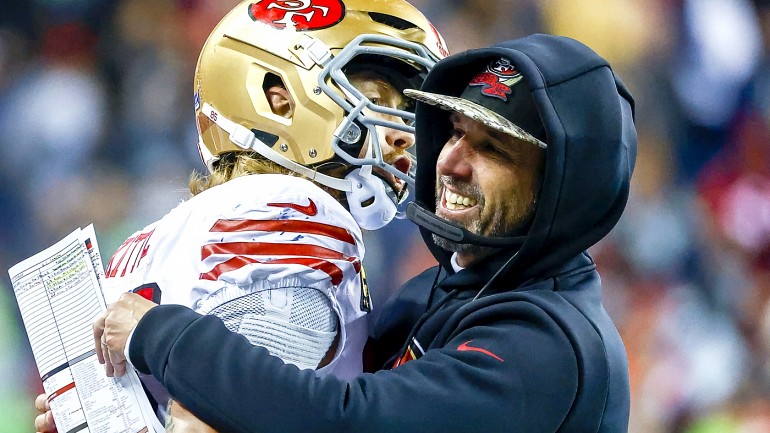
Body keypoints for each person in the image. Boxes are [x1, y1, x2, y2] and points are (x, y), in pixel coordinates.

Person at [89, 33, 636, 433]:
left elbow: (347, 421)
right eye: (456, 132)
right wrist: (125, 405)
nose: (451, 162)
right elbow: (302, 394)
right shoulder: (434, 293)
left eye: (493, 149)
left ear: (562, 188)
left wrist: (162, 336)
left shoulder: (549, 346)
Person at [33, 0, 446, 431]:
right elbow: (234, 412)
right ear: (279, 100)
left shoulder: (153, 236)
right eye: (376, 99)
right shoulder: (294, 210)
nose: (402, 133)